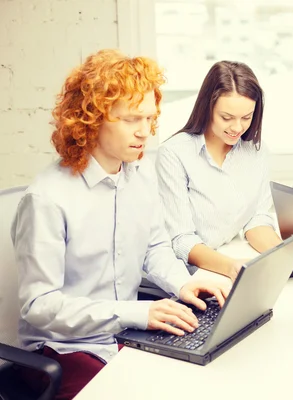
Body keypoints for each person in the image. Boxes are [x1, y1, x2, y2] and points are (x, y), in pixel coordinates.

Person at [11, 49, 229, 400]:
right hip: (64, 349)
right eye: (131, 120)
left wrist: (184, 283)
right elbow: (40, 306)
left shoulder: (139, 177)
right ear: (91, 119)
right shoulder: (47, 199)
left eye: (149, 118)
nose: (145, 132)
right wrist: (137, 313)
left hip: (126, 335)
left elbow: (155, 248)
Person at [155, 61, 293, 280]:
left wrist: (283, 256)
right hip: (187, 276)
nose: (237, 128)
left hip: (230, 262)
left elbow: (256, 219)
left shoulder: (257, 152)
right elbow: (181, 240)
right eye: (226, 118)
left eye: (246, 117)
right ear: (207, 108)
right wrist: (233, 267)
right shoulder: (174, 153)